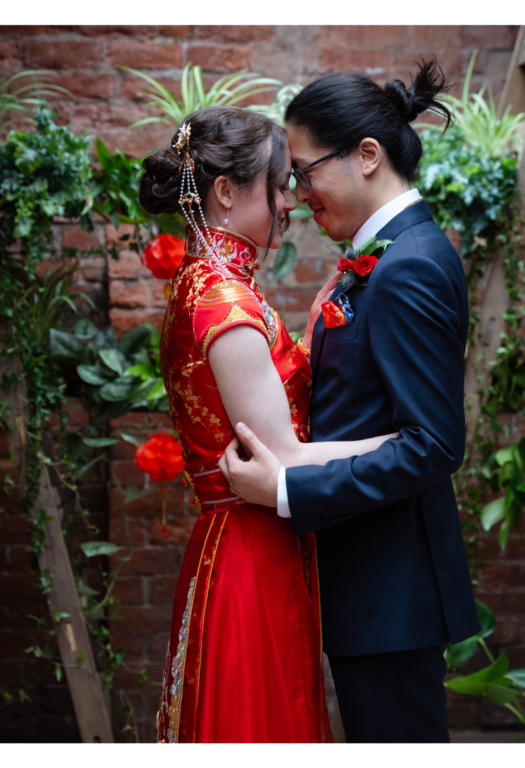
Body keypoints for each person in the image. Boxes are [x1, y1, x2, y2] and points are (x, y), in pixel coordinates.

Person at [220, 60, 481, 743]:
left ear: (367, 156)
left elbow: (431, 443)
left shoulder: (409, 264)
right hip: (371, 583)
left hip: (389, 591)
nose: (297, 194)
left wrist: (287, 487)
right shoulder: (387, 257)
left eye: (305, 171)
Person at [140, 105, 398, 743]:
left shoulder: (209, 286)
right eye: (280, 184)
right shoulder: (224, 302)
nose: (291, 201)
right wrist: (404, 443)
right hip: (249, 552)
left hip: (248, 540)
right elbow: (280, 454)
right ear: (226, 193)